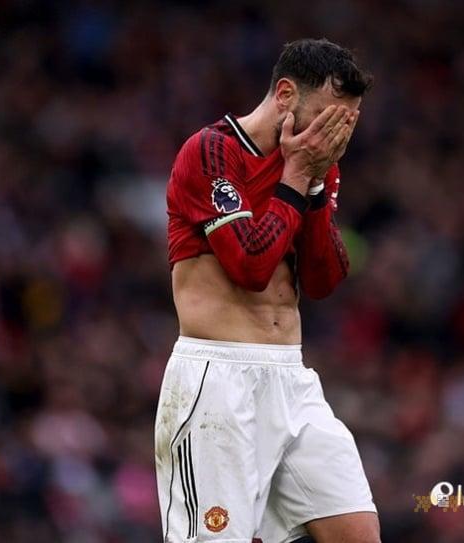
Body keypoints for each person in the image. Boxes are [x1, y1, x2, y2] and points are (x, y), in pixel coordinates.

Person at [155, 38, 379, 543]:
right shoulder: (212, 151)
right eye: (326, 117)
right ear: (285, 95)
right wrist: (297, 176)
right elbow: (250, 265)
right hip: (216, 377)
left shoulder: (314, 165)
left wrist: (313, 182)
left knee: (356, 529)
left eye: (346, 123)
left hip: (290, 378)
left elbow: (322, 279)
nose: (333, 135)